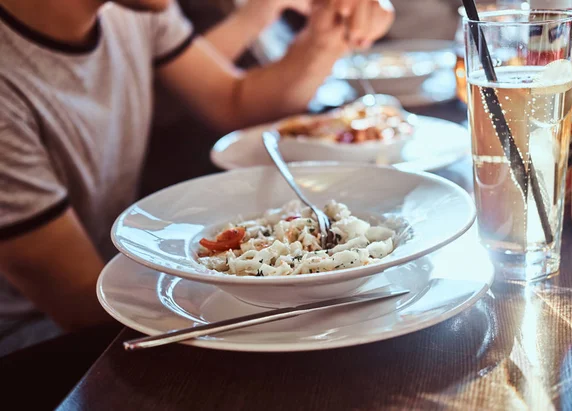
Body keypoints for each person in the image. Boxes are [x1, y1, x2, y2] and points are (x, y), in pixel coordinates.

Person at [0, 0, 394, 355]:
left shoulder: (131, 10)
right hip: (42, 338)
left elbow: (234, 101)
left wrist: (327, 37)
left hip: (126, 284)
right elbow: (81, 307)